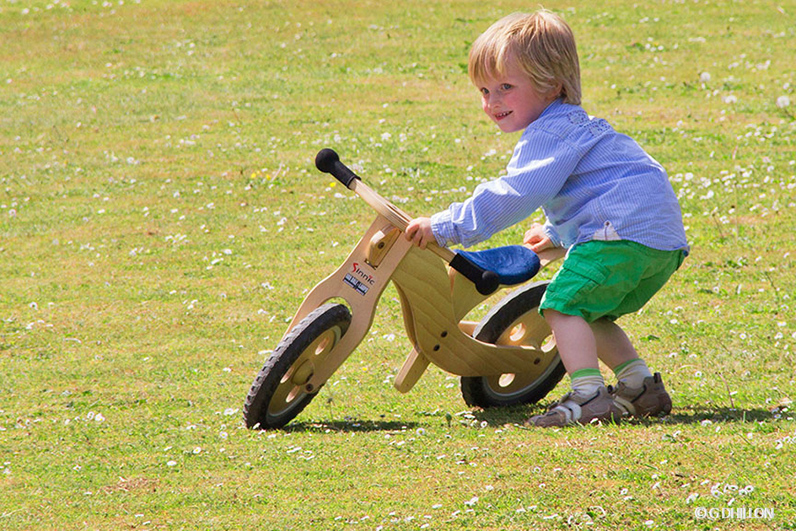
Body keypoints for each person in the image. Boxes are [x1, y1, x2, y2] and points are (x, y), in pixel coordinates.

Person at [404, 10, 688, 427]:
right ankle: (640, 386)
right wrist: (558, 232)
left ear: (552, 84)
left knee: (559, 307)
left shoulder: (548, 134)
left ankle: (588, 396)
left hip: (622, 235)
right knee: (589, 312)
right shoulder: (577, 128)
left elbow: (516, 193)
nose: (492, 102)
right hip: (659, 243)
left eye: (505, 87)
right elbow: (600, 189)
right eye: (484, 90)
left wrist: (447, 226)